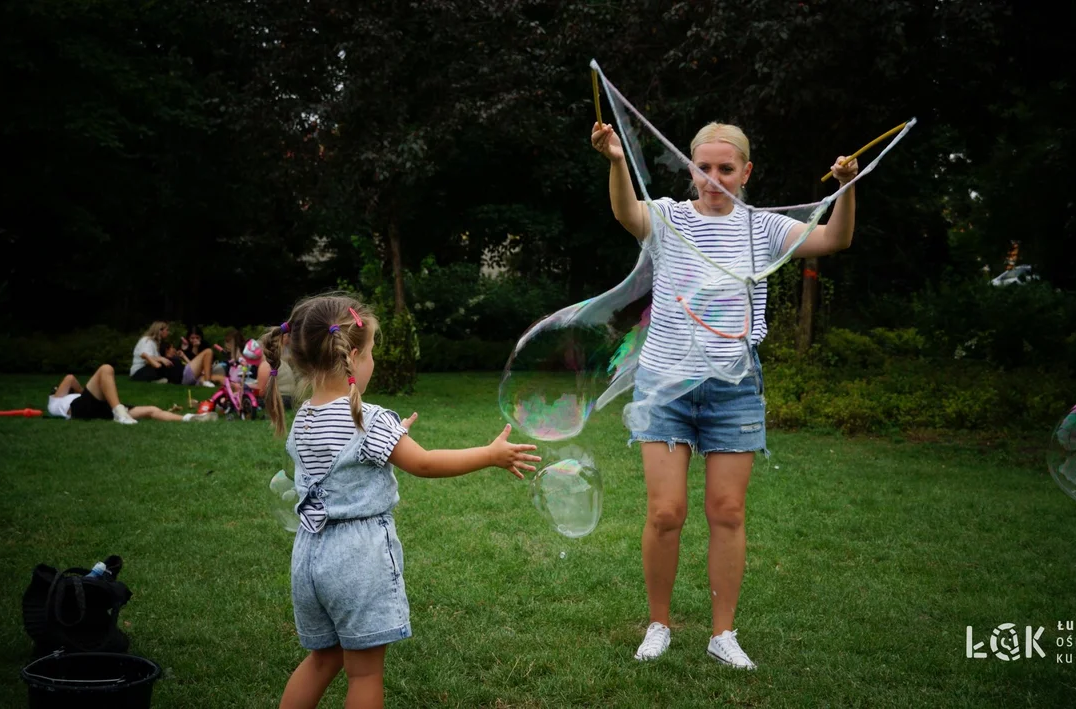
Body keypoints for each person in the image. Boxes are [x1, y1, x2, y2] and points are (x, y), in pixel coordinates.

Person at [590, 119, 860, 669]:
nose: (712, 178)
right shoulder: (669, 216)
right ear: (691, 168)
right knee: (666, 512)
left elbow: (835, 238)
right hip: (665, 385)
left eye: (725, 169)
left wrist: (847, 187)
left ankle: (722, 634)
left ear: (746, 172)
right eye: (703, 167)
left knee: (728, 511)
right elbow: (627, 214)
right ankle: (658, 624)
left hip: (734, 389)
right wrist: (618, 161)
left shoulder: (762, 228)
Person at [258, 293, 540, 709]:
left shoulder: (304, 418)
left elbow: (349, 458)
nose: (373, 361)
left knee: (322, 659)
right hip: (358, 559)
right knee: (365, 672)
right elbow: (424, 464)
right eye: (371, 352)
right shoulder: (370, 420)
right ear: (353, 356)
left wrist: (393, 435)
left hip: (310, 556)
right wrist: (490, 455)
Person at [48, 364, 217, 424]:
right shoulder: (55, 401)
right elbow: (70, 378)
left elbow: (80, 388)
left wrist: (80, 392)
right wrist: (76, 391)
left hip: (99, 407)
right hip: (79, 410)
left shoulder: (74, 397)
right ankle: (119, 413)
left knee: (151, 410)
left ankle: (188, 418)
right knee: (106, 369)